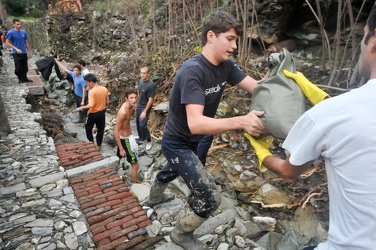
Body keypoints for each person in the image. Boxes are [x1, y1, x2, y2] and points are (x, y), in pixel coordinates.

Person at [246, 6, 376, 250]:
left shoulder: (330, 115)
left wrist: (262, 154)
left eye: (363, 36)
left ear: (374, 42)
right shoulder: (334, 112)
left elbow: (288, 171)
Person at [143, 11, 266, 249]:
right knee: (210, 196)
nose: (235, 46)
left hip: (201, 138)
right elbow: (196, 122)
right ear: (211, 36)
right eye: (230, 39)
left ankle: (156, 196)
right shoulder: (193, 71)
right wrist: (241, 121)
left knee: (183, 171)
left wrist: (283, 81)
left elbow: (257, 88)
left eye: (236, 40)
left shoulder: (226, 66)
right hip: (177, 141)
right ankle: (180, 234)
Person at [114, 89, 140, 184]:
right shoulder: (123, 112)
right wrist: (121, 148)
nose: (134, 100)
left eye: (135, 97)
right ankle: (135, 187)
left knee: (118, 158)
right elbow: (116, 131)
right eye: (131, 98)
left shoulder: (130, 106)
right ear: (126, 98)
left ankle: (114, 173)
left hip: (127, 136)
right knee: (135, 166)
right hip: (126, 140)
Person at [78, 73, 109, 151]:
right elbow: (107, 102)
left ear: (90, 82)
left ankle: (91, 143)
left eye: (87, 83)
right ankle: (98, 145)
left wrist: (82, 107)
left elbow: (91, 105)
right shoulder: (104, 89)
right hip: (102, 113)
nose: (87, 85)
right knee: (100, 130)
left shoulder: (92, 92)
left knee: (88, 128)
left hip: (93, 113)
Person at [55, 58, 87, 122]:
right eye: (75, 70)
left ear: (80, 71)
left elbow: (84, 90)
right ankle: (80, 119)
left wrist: (83, 100)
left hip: (81, 96)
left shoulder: (82, 79)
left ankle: (85, 122)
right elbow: (64, 69)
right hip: (77, 94)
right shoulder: (73, 75)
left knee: (83, 108)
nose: (76, 72)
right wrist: (57, 61)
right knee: (78, 107)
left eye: (77, 70)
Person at [5, 19, 33, 83]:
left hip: (24, 52)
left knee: (25, 67)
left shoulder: (23, 32)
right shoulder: (10, 32)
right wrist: (16, 48)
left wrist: (29, 52)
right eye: (17, 24)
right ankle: (20, 78)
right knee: (18, 68)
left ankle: (25, 79)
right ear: (14, 24)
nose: (19, 25)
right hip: (16, 53)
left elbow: (26, 42)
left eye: (20, 24)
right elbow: (7, 42)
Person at [136, 67, 156, 151]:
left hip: (145, 106)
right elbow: (139, 93)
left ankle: (148, 140)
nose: (142, 75)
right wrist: (135, 103)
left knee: (142, 125)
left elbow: (151, 100)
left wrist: (144, 112)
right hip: (139, 104)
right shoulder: (140, 81)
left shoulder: (151, 85)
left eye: (144, 73)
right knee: (137, 123)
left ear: (148, 74)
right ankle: (141, 138)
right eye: (141, 73)